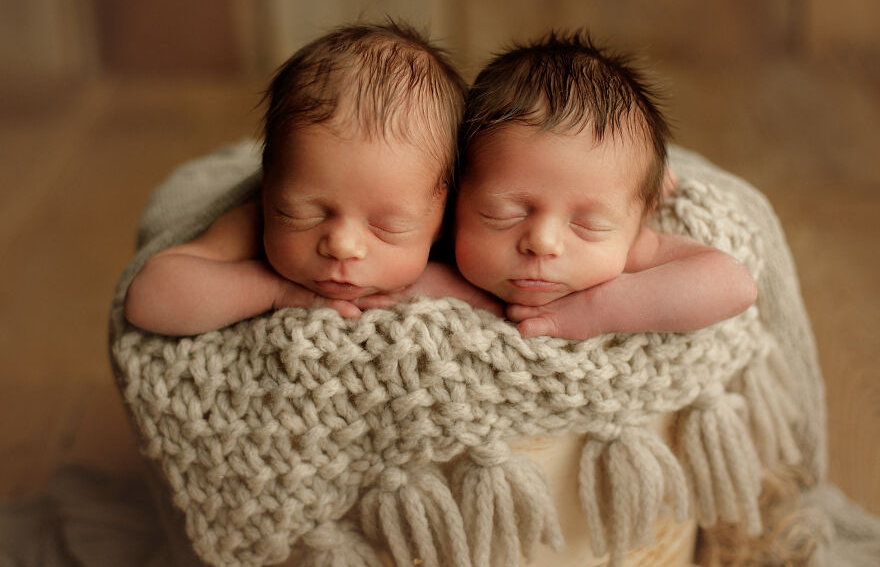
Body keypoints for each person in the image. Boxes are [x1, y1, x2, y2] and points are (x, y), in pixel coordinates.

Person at [124, 21, 496, 336]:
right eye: (304, 214)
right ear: (268, 188)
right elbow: (147, 299)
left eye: (387, 225)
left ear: (443, 221)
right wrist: (272, 290)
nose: (341, 244)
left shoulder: (463, 253)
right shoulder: (250, 225)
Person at [452, 31, 758, 339]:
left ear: (640, 217)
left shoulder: (633, 247)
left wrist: (601, 308)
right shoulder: (440, 255)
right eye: (503, 214)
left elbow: (735, 285)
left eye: (588, 225)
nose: (543, 242)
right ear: (455, 197)